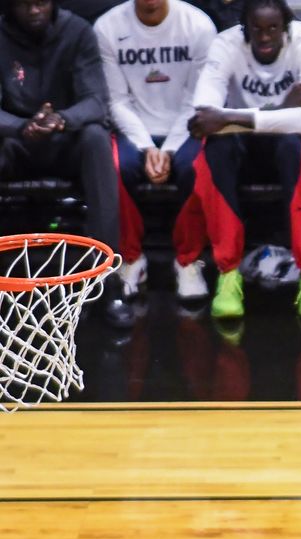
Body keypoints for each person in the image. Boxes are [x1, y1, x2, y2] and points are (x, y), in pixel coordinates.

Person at [188, 0, 301, 320]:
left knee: (296, 149)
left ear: (286, 28)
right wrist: (283, 108)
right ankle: (228, 272)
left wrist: (233, 117)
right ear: (245, 29)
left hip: (287, 144)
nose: (265, 38)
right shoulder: (225, 44)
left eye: (273, 29)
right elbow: (204, 115)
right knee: (216, 150)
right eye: (257, 30)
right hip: (243, 148)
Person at [0, 0, 122, 321]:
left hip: (64, 138)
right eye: (25, 5)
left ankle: (107, 284)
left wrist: (60, 120)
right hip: (15, 141)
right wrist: (20, 127)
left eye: (40, 3)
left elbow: (96, 102)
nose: (34, 11)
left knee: (97, 138)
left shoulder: (78, 31)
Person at [95, 0, 216, 311]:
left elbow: (198, 99)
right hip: (133, 127)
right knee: (112, 167)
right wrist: (147, 146)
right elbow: (117, 101)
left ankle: (188, 261)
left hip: (188, 126)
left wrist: (170, 149)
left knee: (200, 167)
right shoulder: (107, 28)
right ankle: (131, 259)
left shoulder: (199, 26)